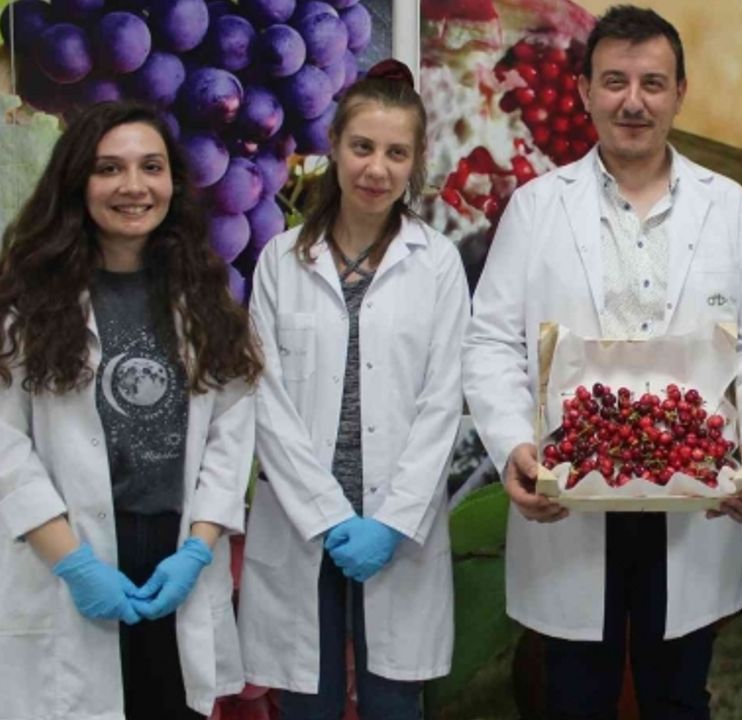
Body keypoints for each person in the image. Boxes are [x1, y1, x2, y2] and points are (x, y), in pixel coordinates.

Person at [462, 5, 742, 718]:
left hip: (693, 496)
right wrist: (515, 446)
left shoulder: (729, 208)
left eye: (652, 83)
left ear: (681, 93)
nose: (633, 101)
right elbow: (489, 341)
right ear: (585, 90)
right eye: (615, 81)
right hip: (570, 496)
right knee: (572, 697)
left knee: (678, 697)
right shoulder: (536, 208)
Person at [0, 101, 262, 720]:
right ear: (77, 183)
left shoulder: (205, 298)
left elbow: (231, 436)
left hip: (175, 554)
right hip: (71, 551)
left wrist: (197, 551)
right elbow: (5, 449)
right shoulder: (22, 303)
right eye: (109, 169)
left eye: (151, 167)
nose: (133, 186)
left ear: (173, 182)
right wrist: (74, 564)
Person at [238, 58, 469, 720]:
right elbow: (264, 397)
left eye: (396, 153)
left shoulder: (438, 263)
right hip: (303, 522)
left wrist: (391, 522)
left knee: (394, 701)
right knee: (306, 703)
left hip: (396, 524)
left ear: (415, 162)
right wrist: (327, 514)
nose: (377, 169)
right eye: (362, 147)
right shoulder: (281, 260)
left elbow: (442, 401)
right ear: (334, 146)